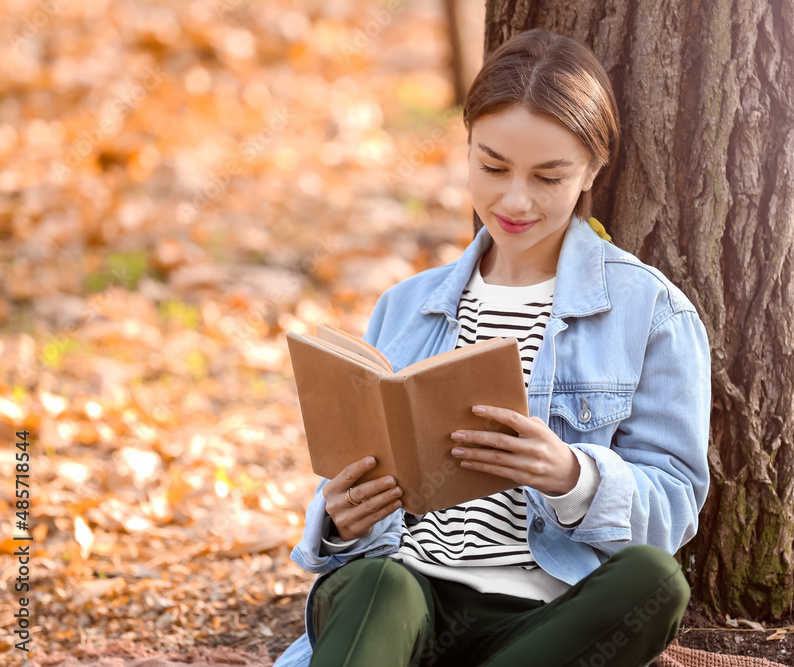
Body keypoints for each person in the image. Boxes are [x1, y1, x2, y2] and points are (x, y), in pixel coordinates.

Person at [274, 28, 711, 667]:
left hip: (541, 621)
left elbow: (673, 507)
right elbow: (362, 475)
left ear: (592, 169)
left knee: (656, 582)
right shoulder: (406, 306)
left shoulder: (652, 313)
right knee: (376, 584)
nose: (514, 200)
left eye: (548, 177)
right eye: (493, 166)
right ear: (469, 145)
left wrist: (572, 477)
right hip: (405, 602)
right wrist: (339, 520)